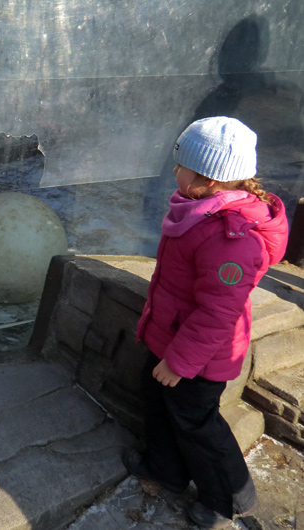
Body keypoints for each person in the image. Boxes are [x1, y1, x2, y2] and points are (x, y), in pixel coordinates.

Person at [124, 117, 289, 529]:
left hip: (200, 358)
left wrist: (179, 363)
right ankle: (167, 471)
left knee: (197, 425)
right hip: (173, 338)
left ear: (210, 180)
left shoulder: (228, 238)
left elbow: (218, 312)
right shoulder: (199, 211)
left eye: (180, 165)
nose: (173, 170)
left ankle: (228, 497)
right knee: (157, 401)